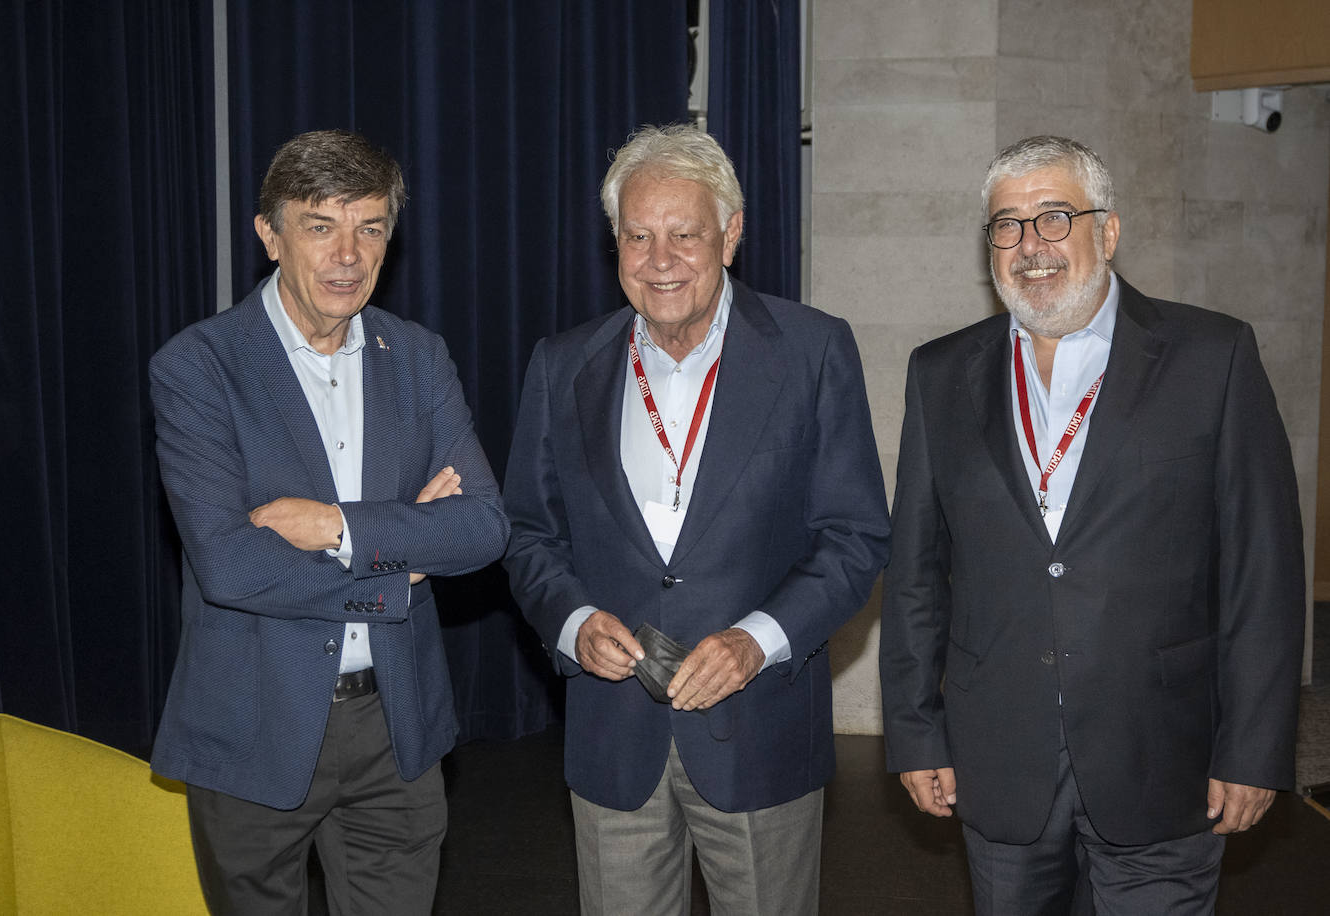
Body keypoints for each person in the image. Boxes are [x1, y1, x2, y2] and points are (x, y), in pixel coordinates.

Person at [879, 134, 1305, 914]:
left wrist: (1254, 748)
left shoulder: (1213, 356)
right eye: (1007, 224)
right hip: (997, 757)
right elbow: (913, 573)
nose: (1030, 245)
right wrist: (914, 731)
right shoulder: (939, 374)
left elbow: (1263, 571)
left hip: (1163, 758)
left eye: (1054, 217)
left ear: (1107, 232)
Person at [502, 123, 891, 915]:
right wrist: (573, 622)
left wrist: (758, 641)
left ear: (731, 235)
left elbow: (855, 538)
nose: (659, 259)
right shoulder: (561, 365)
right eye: (637, 236)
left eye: (685, 234)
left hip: (760, 733)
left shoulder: (813, 352)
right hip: (613, 739)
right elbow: (527, 532)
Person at [150, 129, 509, 914]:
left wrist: (339, 527)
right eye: (321, 225)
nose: (349, 253)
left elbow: (483, 526)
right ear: (270, 234)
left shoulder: (417, 357)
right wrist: (397, 563)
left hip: (396, 727)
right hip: (253, 729)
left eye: (371, 226)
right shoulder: (198, 367)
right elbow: (231, 565)